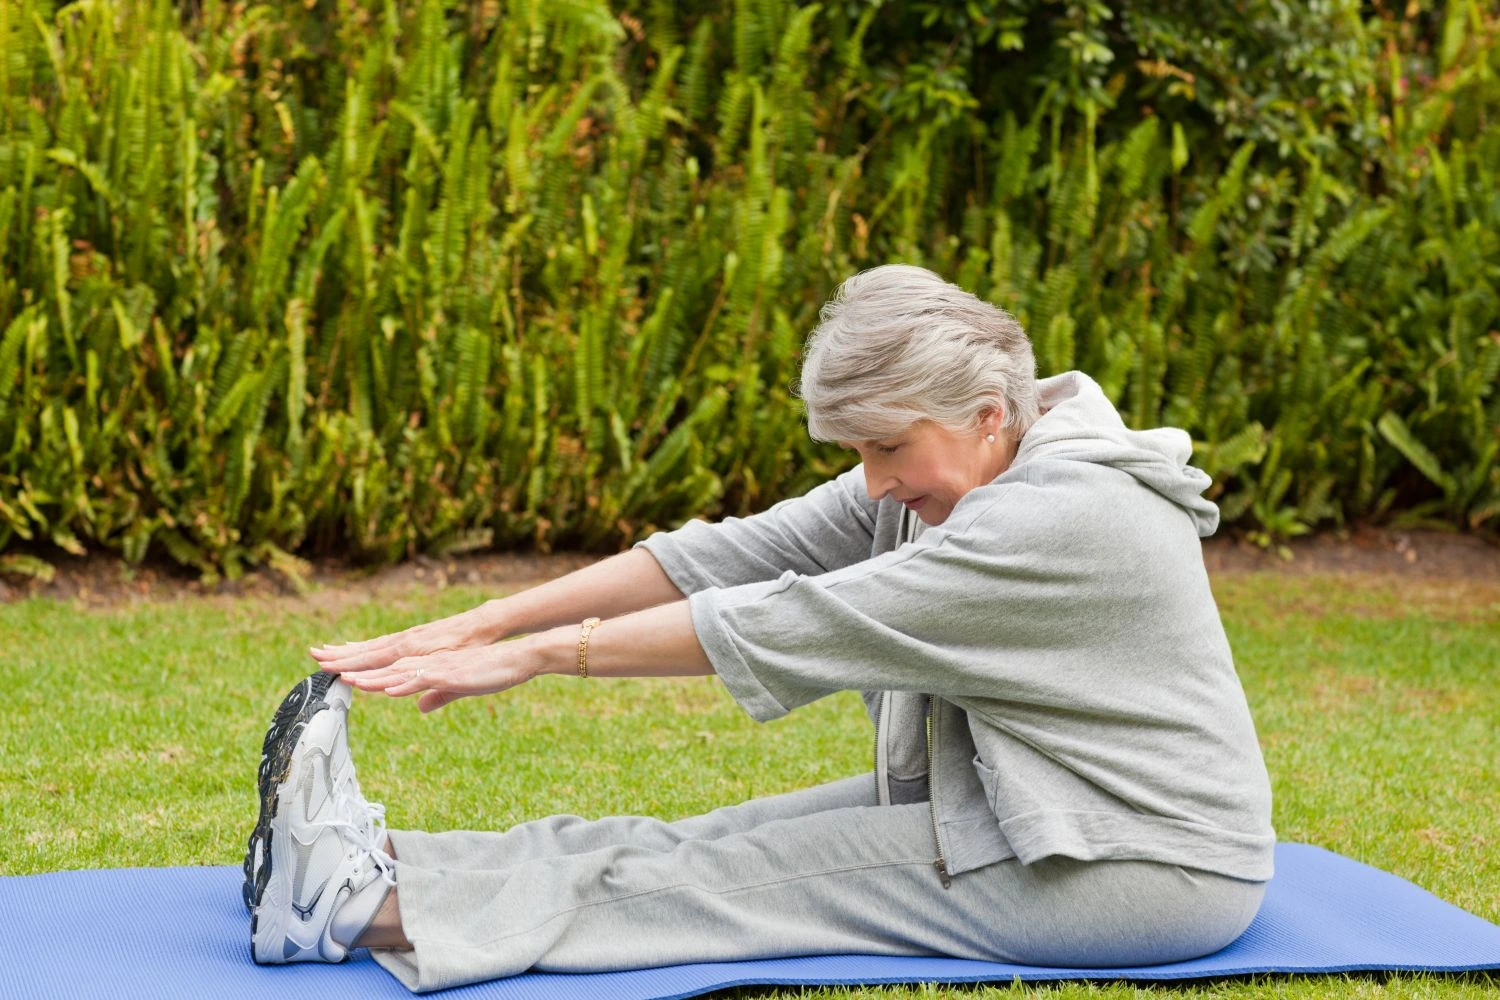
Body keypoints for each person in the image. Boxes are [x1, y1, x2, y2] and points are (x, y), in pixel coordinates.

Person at [242, 264, 1275, 992]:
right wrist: (479, 618)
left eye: (884, 448)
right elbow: (727, 555)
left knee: (724, 883)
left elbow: (793, 619)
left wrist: (538, 656)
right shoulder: (968, 455)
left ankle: (345, 914)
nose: (872, 481)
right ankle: (385, 863)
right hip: (1034, 802)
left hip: (1131, 863)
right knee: (715, 837)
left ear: (987, 414)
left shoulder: (1057, 518)